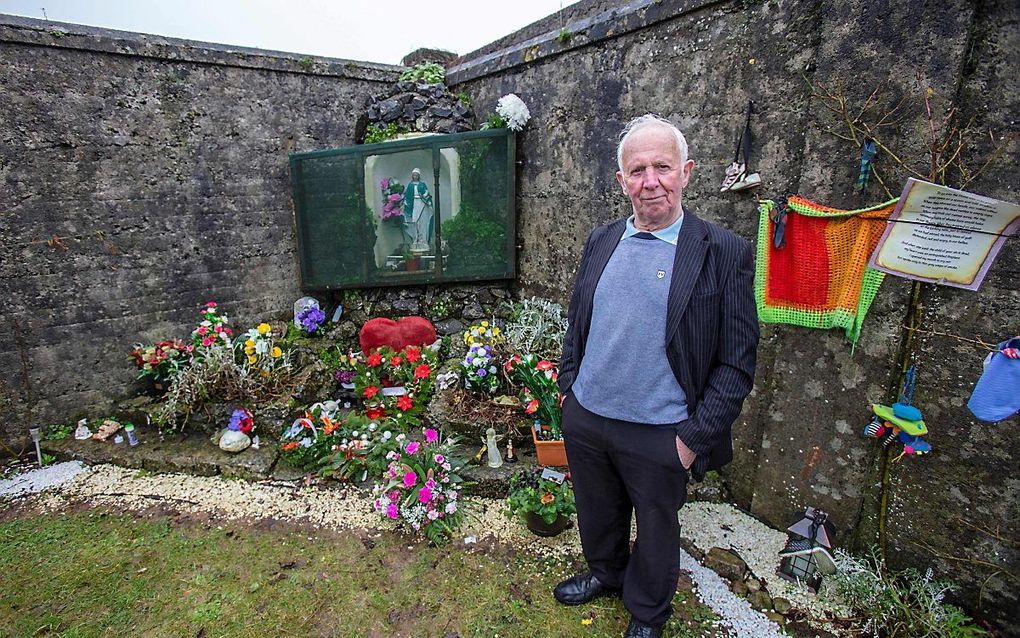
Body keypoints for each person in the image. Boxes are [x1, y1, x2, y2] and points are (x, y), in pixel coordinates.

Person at [554, 114, 759, 638]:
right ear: (622, 181)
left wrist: (692, 440)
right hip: (589, 418)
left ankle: (647, 611)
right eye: (637, 170)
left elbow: (737, 362)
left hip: (661, 431)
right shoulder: (601, 240)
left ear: (686, 172)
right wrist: (568, 392)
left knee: (657, 528)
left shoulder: (723, 253)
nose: (651, 182)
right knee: (598, 513)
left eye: (662, 167)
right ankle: (606, 573)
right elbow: (578, 322)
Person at [402, 168, 434, 250]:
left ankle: (423, 240)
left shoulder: (422, 184)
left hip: (421, 203)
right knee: (414, 221)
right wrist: (405, 203)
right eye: (414, 175)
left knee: (422, 222)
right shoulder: (410, 185)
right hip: (414, 205)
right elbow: (407, 196)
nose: (415, 177)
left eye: (416, 175)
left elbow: (426, 193)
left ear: (418, 176)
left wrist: (423, 196)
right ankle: (415, 239)